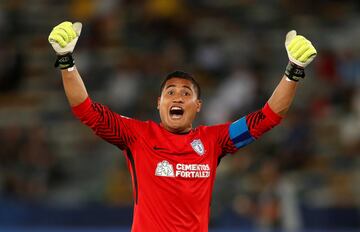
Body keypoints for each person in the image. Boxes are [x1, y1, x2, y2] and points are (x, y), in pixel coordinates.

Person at [48, 21, 317, 232]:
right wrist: (66, 62)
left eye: (186, 93)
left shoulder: (215, 140)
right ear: (159, 103)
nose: (178, 97)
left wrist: (293, 71)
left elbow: (268, 117)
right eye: (171, 92)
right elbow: (86, 110)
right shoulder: (136, 135)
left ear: (198, 105)